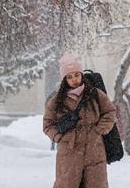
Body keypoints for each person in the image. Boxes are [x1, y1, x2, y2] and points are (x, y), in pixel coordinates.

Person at [43, 53, 117, 188]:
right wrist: (60, 137)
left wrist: (98, 131)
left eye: (76, 75)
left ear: (81, 75)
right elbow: (47, 124)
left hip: (94, 152)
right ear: (64, 79)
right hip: (68, 155)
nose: (74, 79)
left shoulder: (95, 94)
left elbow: (110, 112)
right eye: (69, 77)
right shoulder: (56, 101)